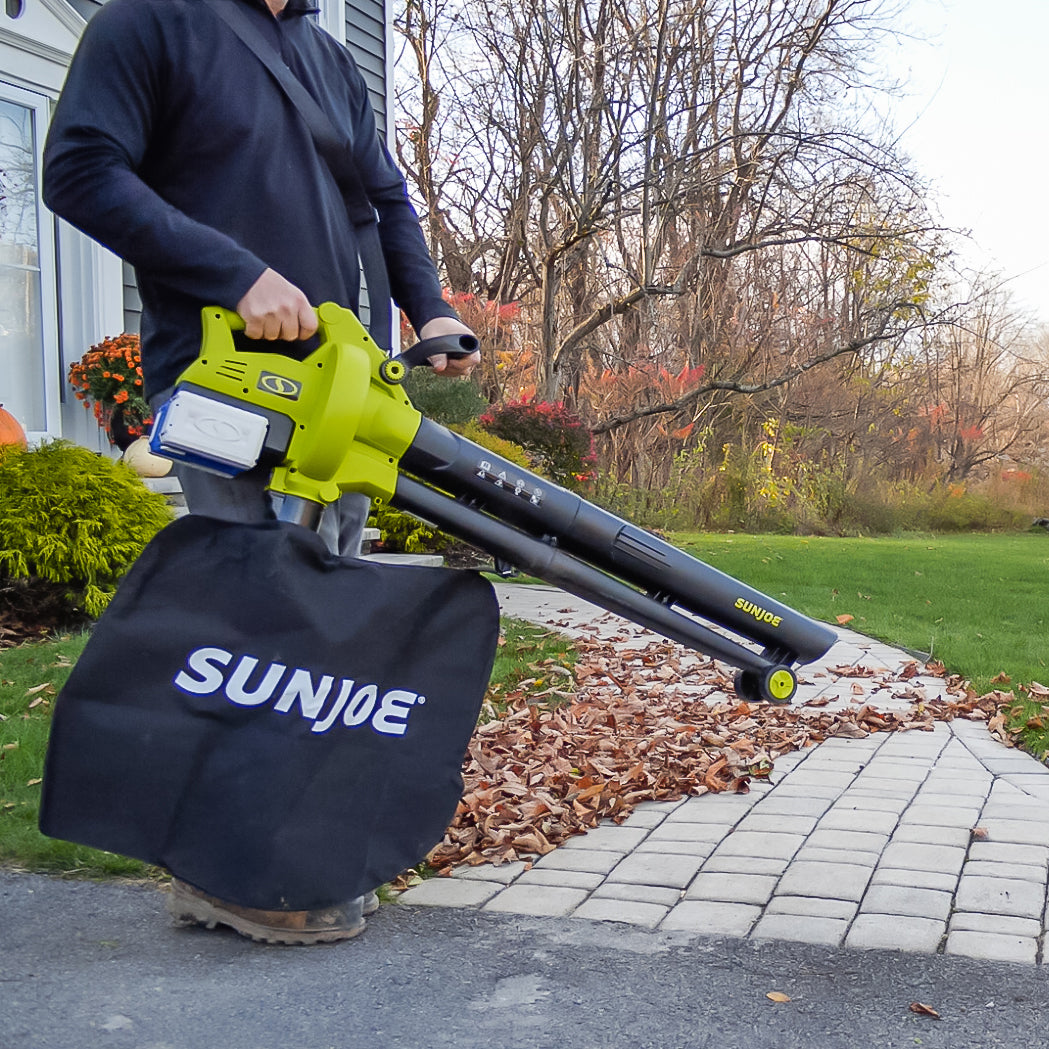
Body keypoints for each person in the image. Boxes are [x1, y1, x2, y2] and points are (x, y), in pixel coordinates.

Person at [42, 0, 480, 945]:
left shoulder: (325, 55)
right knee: (251, 626)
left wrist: (429, 308)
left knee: (322, 635)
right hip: (223, 379)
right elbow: (78, 169)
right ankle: (228, 871)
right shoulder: (150, 23)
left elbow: (384, 196)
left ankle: (290, 849)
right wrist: (233, 274)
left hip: (340, 388)